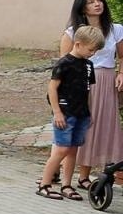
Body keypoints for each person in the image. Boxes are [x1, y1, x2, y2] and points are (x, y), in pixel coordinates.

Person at [59, 0, 123, 190]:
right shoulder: (72, 32)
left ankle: (85, 175)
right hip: (82, 82)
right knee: (83, 126)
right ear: (82, 7)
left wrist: (121, 73)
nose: (97, 4)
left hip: (107, 80)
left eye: (99, 0)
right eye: (91, 2)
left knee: (101, 126)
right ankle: (64, 173)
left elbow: (122, 57)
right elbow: (64, 64)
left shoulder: (116, 30)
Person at [37, 26, 104, 200]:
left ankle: (67, 185)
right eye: (91, 49)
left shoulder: (89, 65)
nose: (93, 53)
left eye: (96, 50)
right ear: (78, 44)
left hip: (81, 112)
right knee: (61, 149)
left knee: (73, 150)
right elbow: (52, 88)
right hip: (65, 112)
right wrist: (57, 112)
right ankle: (45, 183)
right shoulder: (64, 63)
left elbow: (88, 90)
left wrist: (89, 112)